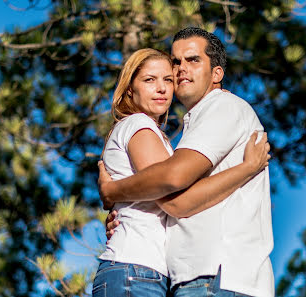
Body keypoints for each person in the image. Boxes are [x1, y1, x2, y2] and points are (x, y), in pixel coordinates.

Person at [99, 27, 275, 297]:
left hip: (216, 277)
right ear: (130, 90)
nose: (181, 68)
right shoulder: (183, 129)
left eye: (193, 60)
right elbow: (167, 194)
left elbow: (172, 190)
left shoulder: (222, 107)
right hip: (194, 277)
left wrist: (113, 191)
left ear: (217, 73)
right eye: (176, 62)